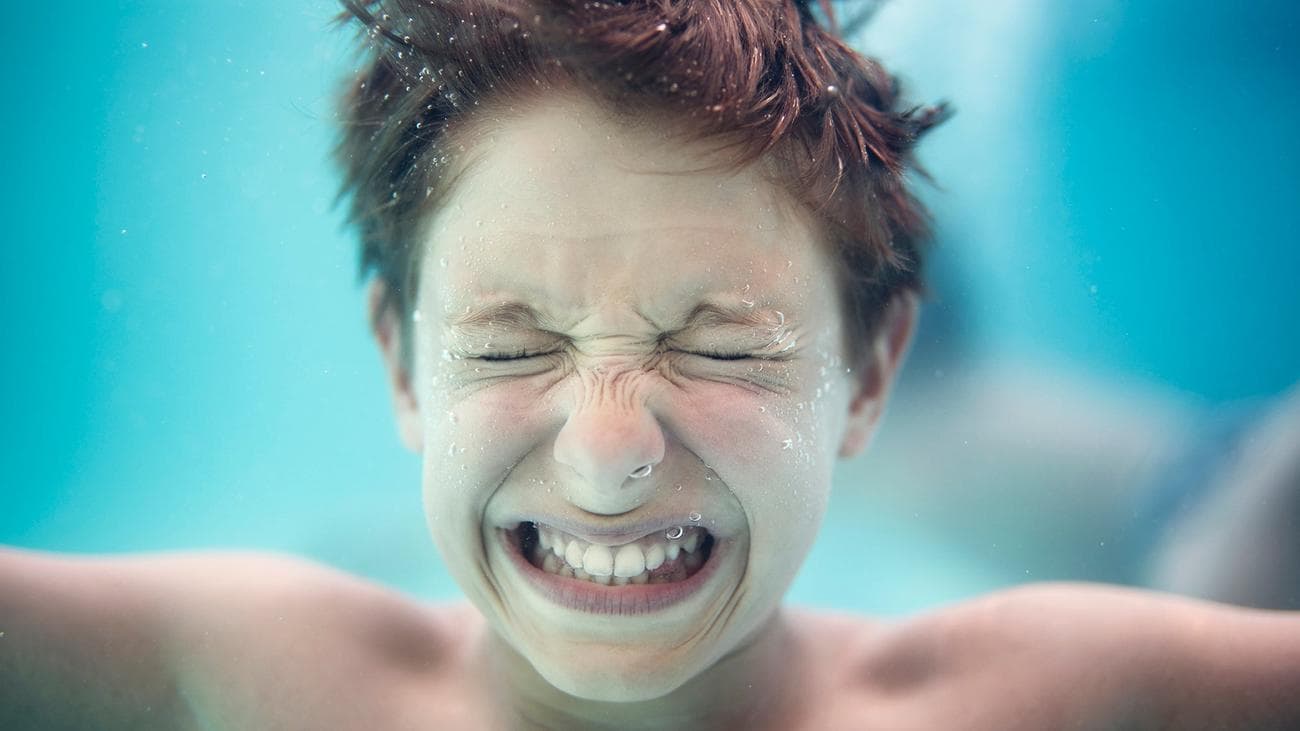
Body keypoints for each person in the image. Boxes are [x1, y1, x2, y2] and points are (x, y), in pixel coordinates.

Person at [2, 1, 1297, 728]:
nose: (609, 455)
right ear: (400, 368)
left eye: (722, 346)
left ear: (873, 376)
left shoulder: (1039, 701)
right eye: (510, 345)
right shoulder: (255, 679)